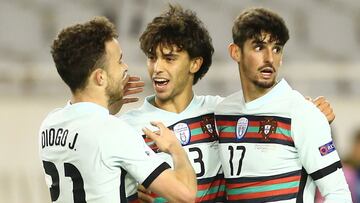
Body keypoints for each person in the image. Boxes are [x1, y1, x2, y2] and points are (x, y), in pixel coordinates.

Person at [120, 5, 337, 203]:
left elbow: (279, 113)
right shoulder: (128, 126)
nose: (156, 67)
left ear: (195, 63)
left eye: (169, 58)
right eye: (151, 57)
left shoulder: (221, 112)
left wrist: (313, 112)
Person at [39, 16, 197, 203]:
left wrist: (126, 188)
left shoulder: (49, 124)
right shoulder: (115, 132)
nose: (125, 67)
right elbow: (185, 194)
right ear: (100, 78)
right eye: (119, 61)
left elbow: (90, 145)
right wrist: (175, 147)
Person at [214, 7, 352, 202]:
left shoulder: (302, 113)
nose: (270, 58)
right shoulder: (222, 113)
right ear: (235, 52)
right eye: (259, 47)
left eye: (277, 48)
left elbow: (338, 194)